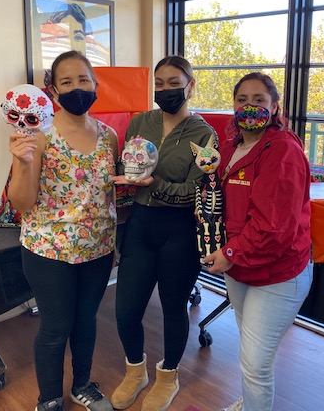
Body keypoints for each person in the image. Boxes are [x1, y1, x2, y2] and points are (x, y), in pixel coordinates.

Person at [7, 50, 118, 411]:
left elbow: (109, 193)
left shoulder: (110, 136)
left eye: (83, 80)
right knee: (56, 328)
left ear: (95, 84)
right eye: (66, 82)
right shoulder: (38, 137)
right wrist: (20, 162)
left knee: (86, 322)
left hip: (98, 248)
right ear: (53, 90)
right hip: (48, 249)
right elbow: (21, 203)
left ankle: (82, 385)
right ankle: (49, 399)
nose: (76, 88)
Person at [110, 56, 216, 411]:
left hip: (179, 230)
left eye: (174, 83)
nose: (166, 90)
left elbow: (196, 191)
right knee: (125, 310)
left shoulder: (203, 133)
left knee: (174, 308)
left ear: (190, 84)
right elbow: (128, 164)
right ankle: (135, 372)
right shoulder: (141, 121)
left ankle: (168, 376)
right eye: (159, 83)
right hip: (141, 225)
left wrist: (156, 185)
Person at [204, 72, 314, 411]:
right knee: (251, 351)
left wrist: (231, 252)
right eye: (242, 100)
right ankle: (250, 402)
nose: (249, 106)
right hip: (240, 268)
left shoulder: (281, 151)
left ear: (275, 106)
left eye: (258, 100)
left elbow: (274, 227)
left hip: (278, 273)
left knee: (255, 362)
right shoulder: (231, 148)